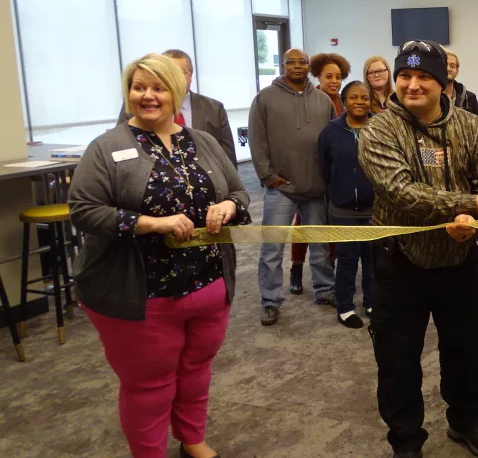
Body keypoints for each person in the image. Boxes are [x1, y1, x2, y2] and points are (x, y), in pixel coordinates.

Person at [70, 53, 251, 458]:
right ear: (128, 93)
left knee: (196, 371)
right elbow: (83, 209)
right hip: (142, 292)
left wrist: (229, 208)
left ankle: (192, 438)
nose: (148, 96)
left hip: (208, 283)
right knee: (149, 384)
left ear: (177, 91)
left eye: (158, 87)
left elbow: (238, 192)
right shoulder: (107, 147)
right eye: (139, 87)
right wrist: (154, 223)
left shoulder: (201, 141)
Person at [358, 39, 478, 458]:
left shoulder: (473, 127)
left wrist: (471, 222)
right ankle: (406, 441)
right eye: (404, 75)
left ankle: (466, 422)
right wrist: (468, 206)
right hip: (399, 260)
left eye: (424, 76)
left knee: (464, 349)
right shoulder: (379, 130)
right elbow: (401, 192)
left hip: (458, 261)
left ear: (443, 82)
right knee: (397, 358)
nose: (412, 84)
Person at [249, 48, 336, 326]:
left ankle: (324, 290)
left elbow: (333, 141)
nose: (297, 66)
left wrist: (329, 178)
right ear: (283, 65)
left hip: (316, 186)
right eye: (291, 62)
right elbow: (257, 139)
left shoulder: (323, 100)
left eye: (302, 62)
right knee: (272, 247)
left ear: (309, 66)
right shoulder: (265, 99)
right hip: (281, 188)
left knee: (320, 244)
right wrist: (267, 176)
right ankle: (270, 301)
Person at [287, 52, 349, 292]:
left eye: (338, 77)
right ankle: (296, 268)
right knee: (303, 222)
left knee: (332, 219)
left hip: (335, 171)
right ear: (318, 77)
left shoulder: (343, 102)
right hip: (311, 170)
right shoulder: (312, 100)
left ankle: (328, 267)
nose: (334, 81)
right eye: (329, 76)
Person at [116, 49, 237, 167]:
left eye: (180, 72)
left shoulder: (214, 108)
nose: (174, 77)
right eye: (168, 73)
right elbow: (119, 147)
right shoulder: (138, 105)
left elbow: (227, 155)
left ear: (191, 75)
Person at [319, 80, 375, 329]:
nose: (359, 102)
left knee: (373, 259)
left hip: (374, 208)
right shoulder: (330, 131)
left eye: (364, 97)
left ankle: (372, 302)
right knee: (347, 259)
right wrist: (338, 192)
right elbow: (324, 168)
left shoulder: (381, 128)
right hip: (342, 209)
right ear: (344, 100)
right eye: (354, 97)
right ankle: (345, 307)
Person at [444, 49, 478, 116]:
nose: (448, 69)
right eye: (445, 65)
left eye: (452, 66)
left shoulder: (470, 98)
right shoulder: (429, 96)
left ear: (457, 72)